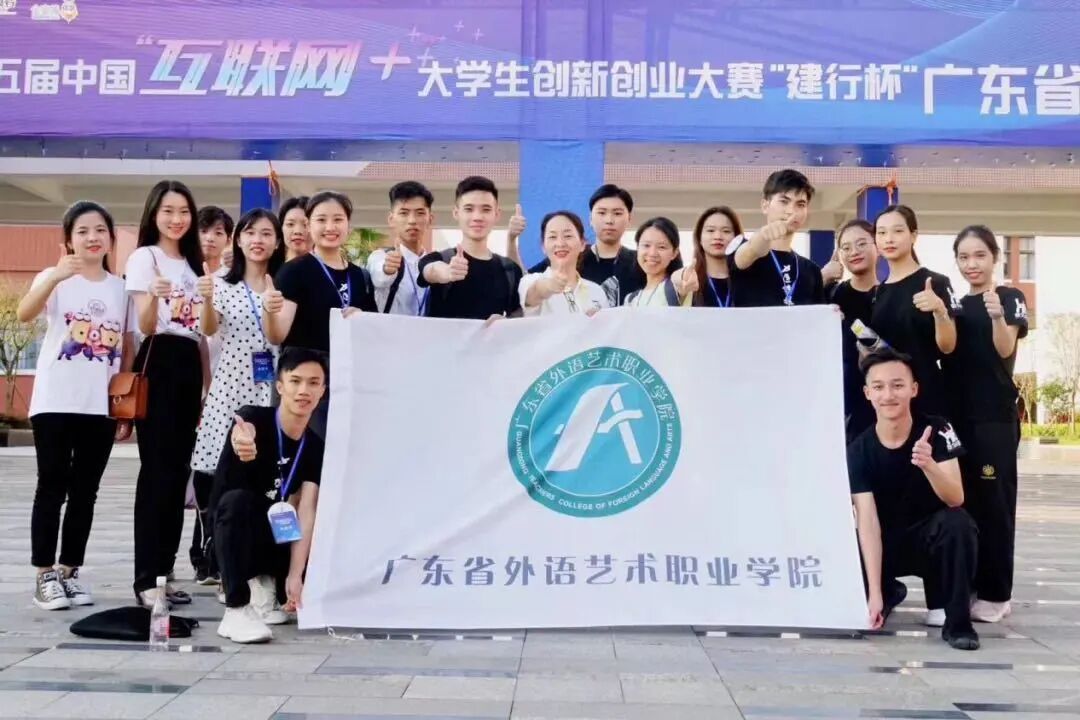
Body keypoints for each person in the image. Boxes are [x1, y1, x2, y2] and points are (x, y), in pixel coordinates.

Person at [16, 201, 133, 611]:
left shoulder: (120, 289)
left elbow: (127, 347)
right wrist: (53, 278)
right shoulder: (54, 277)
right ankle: (44, 573)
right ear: (68, 239)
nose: (92, 237)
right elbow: (24, 313)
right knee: (51, 486)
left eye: (100, 230)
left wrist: (122, 401)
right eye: (82, 231)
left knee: (86, 491)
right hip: (54, 401)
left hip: (99, 407)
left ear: (111, 238)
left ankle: (69, 571)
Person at [848, 348, 980, 651]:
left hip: (929, 541)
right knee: (846, 544)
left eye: (898, 385)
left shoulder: (938, 429)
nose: (888, 395)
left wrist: (928, 464)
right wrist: (874, 593)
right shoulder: (858, 450)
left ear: (913, 389)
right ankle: (888, 590)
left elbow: (955, 497)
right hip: (886, 542)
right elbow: (867, 521)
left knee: (959, 523)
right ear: (868, 394)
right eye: (879, 387)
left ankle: (959, 624)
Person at [125, 180, 216, 607]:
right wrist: (152, 297)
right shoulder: (145, 257)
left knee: (179, 473)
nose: (177, 219)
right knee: (157, 473)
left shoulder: (196, 265)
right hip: (158, 357)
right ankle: (146, 580)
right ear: (153, 214)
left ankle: (163, 574)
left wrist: (207, 388)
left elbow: (203, 332)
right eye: (168, 211)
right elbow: (145, 326)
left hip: (188, 364)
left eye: (183, 211)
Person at [190, 209, 286, 586]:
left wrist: (271, 306)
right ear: (239, 240)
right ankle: (218, 561)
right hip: (231, 385)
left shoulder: (282, 283)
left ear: (276, 242)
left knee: (264, 474)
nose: (258, 240)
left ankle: (259, 564)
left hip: (271, 385)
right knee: (224, 474)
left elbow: (275, 337)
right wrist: (206, 299)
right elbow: (209, 329)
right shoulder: (220, 283)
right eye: (250, 233)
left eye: (266, 233)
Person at [212, 348, 326, 643]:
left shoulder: (314, 446)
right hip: (232, 531)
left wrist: (295, 575)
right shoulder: (255, 418)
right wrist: (242, 440)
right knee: (239, 502)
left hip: (274, 533)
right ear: (280, 386)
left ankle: (268, 588)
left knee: (309, 527)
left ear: (323, 390)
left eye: (313, 383)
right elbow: (243, 431)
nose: (304, 390)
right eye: (295, 381)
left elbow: (307, 510)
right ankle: (236, 609)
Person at [946, 225, 1028, 624]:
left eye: (979, 255)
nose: (971, 264)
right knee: (967, 504)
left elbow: (1005, 349)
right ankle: (972, 586)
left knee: (995, 505)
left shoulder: (1010, 297)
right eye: (963, 257)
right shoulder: (956, 305)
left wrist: (997, 316)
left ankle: (997, 593)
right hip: (958, 419)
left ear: (995, 257)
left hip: (993, 419)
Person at [263, 191, 375, 438]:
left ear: (348, 225)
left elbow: (375, 330)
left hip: (347, 375)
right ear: (309, 225)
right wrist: (269, 310)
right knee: (302, 447)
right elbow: (277, 335)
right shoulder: (294, 271)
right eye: (321, 220)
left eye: (338, 219)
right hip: (305, 377)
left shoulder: (359, 276)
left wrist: (363, 319)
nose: (330, 227)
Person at [870, 205, 961, 419]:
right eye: (881, 233)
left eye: (898, 231)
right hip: (888, 401)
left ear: (913, 236)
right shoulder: (878, 292)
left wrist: (939, 310)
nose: (889, 239)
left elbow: (948, 346)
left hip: (927, 395)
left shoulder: (936, 282)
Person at [418, 176, 524, 320]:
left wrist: (505, 324)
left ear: (497, 214)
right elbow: (429, 271)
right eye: (469, 209)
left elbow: (519, 315)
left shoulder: (509, 270)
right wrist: (447, 272)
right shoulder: (440, 259)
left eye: (486, 209)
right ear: (456, 213)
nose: (477, 217)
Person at [526, 184, 645, 305]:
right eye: (602, 213)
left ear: (629, 219)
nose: (609, 220)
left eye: (617, 213)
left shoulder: (642, 261)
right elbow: (524, 283)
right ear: (590, 219)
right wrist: (514, 240)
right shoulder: (570, 255)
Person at [732, 169, 825, 307]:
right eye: (784, 201)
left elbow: (818, 316)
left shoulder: (812, 270)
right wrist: (763, 236)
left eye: (800, 205)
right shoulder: (745, 253)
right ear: (765, 205)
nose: (791, 211)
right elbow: (746, 254)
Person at [827, 220, 880, 441]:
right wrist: (823, 277)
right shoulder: (831, 295)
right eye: (846, 247)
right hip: (839, 401)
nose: (854, 252)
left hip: (881, 399)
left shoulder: (889, 295)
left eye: (861, 244)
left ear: (877, 246)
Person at [519, 211, 609, 316]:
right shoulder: (529, 280)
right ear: (543, 246)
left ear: (582, 244)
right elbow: (534, 293)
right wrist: (547, 286)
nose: (560, 243)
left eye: (568, 236)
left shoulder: (597, 291)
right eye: (552, 237)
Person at [367, 181, 433, 316]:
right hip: (388, 330)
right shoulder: (381, 257)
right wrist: (387, 269)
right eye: (404, 213)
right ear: (391, 219)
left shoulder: (434, 264)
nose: (412, 220)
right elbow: (379, 276)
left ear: (430, 219)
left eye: (420, 213)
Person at [623, 217, 697, 307]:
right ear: (638, 248)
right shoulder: (631, 299)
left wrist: (684, 276)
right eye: (646, 245)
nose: (652, 253)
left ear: (674, 253)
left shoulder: (675, 287)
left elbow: (679, 278)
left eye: (661, 247)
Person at [688, 206, 741, 308]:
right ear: (699, 238)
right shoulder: (689, 281)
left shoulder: (748, 280)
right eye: (710, 230)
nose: (718, 237)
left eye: (726, 231)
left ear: (737, 238)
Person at [199, 206, 234, 276]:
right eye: (204, 231)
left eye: (218, 233)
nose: (210, 238)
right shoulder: (180, 271)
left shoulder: (232, 278)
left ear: (228, 241)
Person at [278, 196, 310, 262]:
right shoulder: (270, 266)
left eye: (305, 224)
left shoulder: (327, 266)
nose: (298, 231)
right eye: (290, 224)